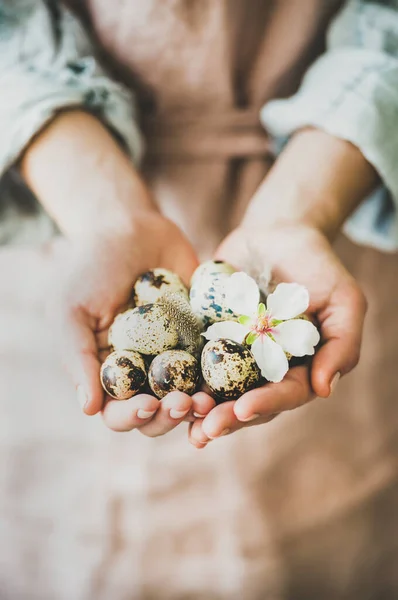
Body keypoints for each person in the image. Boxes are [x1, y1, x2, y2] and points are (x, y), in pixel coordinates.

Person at [1, 1, 398, 597]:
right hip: (60, 202)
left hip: (331, 182)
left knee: (320, 529)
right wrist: (104, 211)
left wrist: (303, 208)